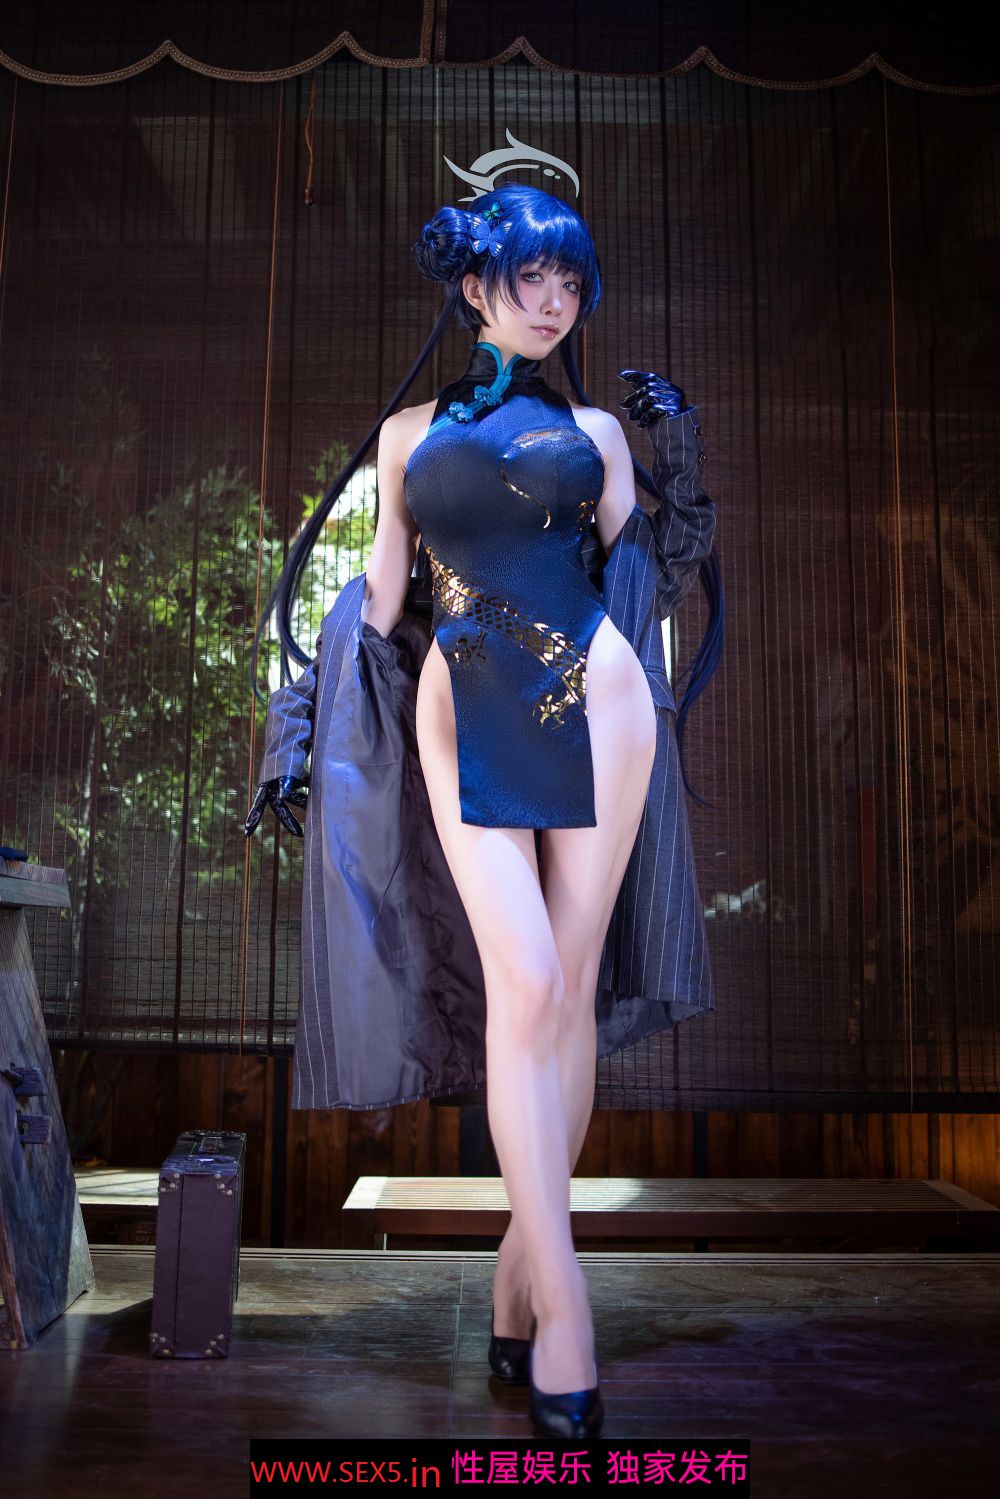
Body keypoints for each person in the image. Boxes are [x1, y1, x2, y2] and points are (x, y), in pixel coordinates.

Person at [244, 185, 723, 1438]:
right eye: (531, 279)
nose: (555, 303)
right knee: (527, 981)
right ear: (474, 289)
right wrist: (296, 733)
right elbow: (373, 604)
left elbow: (654, 578)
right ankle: (563, 1303)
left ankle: (525, 1286)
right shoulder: (406, 436)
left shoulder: (598, 435)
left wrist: (675, 459)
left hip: (598, 696)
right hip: (462, 700)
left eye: (571, 283)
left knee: (564, 991)